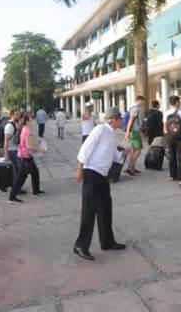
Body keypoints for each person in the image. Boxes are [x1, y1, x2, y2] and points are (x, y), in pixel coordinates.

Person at [73, 107, 127, 261]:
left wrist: (124, 152)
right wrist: (79, 168)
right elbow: (86, 147)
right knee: (89, 211)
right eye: (120, 118)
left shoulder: (111, 134)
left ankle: (107, 242)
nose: (122, 121)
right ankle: (81, 245)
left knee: (105, 209)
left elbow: (114, 155)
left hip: (102, 175)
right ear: (114, 119)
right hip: (91, 173)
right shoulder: (101, 129)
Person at [9, 113, 45, 203]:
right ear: (27, 121)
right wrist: (40, 150)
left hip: (26, 155)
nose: (32, 120)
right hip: (25, 156)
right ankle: (12, 197)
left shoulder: (25, 129)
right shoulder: (27, 131)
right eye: (30, 118)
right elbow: (28, 146)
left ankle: (36, 191)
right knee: (21, 177)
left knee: (35, 172)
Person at [164, 95, 181, 186]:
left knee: (172, 156)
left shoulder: (166, 113)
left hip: (170, 137)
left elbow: (164, 129)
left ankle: (173, 175)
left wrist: (169, 135)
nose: (180, 103)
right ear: (176, 103)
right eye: (179, 101)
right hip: (180, 137)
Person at [4, 110, 27, 197]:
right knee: (18, 171)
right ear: (12, 115)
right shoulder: (9, 126)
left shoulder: (16, 124)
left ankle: (17, 188)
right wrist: (6, 154)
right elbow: (6, 141)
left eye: (19, 114)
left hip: (16, 150)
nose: (18, 116)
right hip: (12, 151)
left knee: (18, 170)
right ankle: (15, 189)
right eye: (16, 114)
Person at [124, 95, 146, 176]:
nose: (143, 103)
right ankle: (130, 168)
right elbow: (131, 121)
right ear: (138, 100)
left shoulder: (132, 108)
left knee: (134, 150)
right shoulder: (136, 109)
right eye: (142, 101)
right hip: (134, 132)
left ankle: (132, 168)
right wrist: (127, 132)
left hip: (133, 131)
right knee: (138, 151)